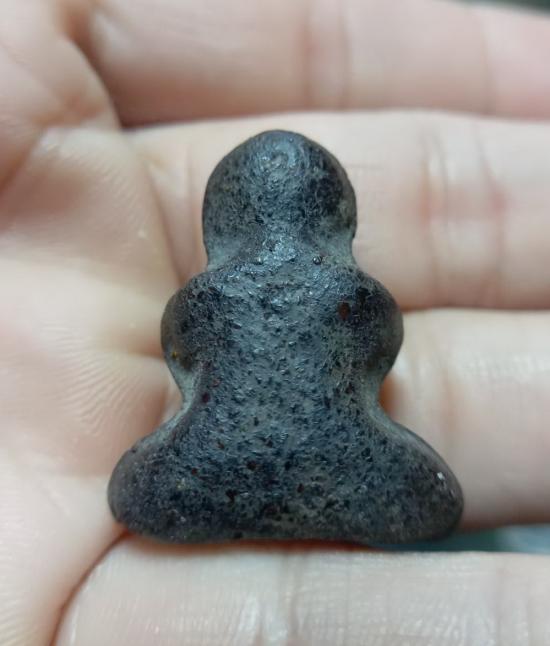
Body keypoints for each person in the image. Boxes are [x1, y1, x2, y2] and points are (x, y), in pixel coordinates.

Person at [1, 0, 549, 643]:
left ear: (219, 223)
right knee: (417, 489)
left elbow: (181, 348)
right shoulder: (353, 292)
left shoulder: (204, 296)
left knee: (145, 485)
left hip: (200, 462)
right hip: (351, 458)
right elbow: (382, 346)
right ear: (339, 218)